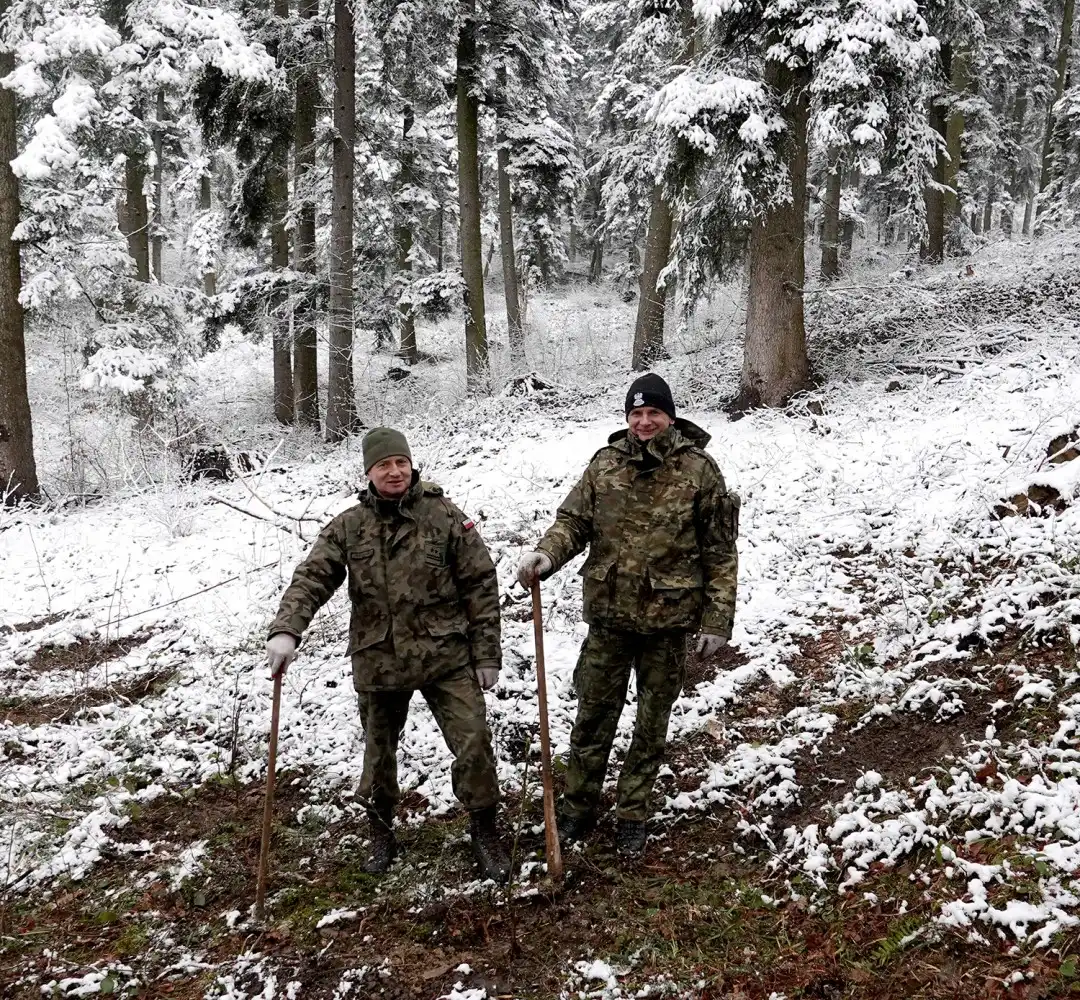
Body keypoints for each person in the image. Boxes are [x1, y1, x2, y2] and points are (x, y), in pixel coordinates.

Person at [266, 427, 511, 881]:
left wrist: (487, 655)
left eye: (400, 462)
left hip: (446, 655)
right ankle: (380, 829)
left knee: (473, 742)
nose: (394, 472)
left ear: (411, 465)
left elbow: (481, 584)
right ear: (369, 473)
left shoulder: (444, 516)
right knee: (378, 754)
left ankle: (485, 830)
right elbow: (312, 578)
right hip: (380, 657)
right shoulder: (348, 527)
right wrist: (287, 631)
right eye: (383, 465)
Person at [517, 373, 739, 857]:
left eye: (653, 413)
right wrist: (546, 556)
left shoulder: (700, 471)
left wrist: (717, 620)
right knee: (593, 716)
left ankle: (633, 813)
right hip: (610, 618)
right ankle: (576, 809)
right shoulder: (604, 464)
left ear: (670, 417)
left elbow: (720, 551)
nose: (644, 422)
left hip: (669, 622)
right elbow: (573, 522)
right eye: (636, 414)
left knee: (650, 724)